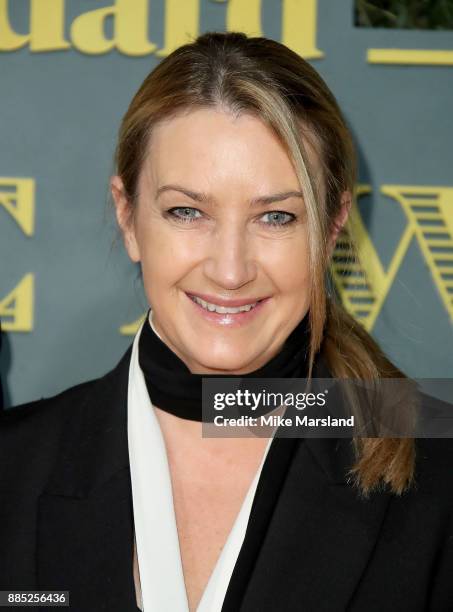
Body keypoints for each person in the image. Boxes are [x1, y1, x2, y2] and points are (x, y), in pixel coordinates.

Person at [1, 31, 452, 612]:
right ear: (129, 217)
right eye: (187, 211)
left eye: (277, 217)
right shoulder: (11, 469)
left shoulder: (436, 464)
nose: (230, 269)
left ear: (332, 227)